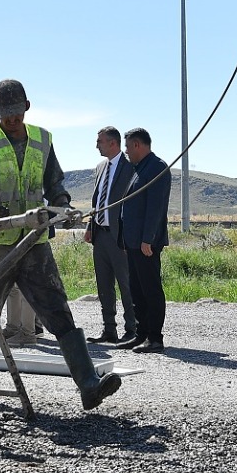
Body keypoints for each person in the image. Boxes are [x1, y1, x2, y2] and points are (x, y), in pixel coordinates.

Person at [0, 78, 121, 411]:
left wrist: (62, 205)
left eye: (16, 113)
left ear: (27, 107)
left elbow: (55, 184)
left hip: (34, 242)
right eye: (5, 113)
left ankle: (89, 384)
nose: (11, 119)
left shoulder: (42, 139)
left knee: (58, 309)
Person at [114, 128, 170, 354]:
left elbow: (155, 209)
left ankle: (155, 338)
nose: (126, 151)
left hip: (146, 243)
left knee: (150, 290)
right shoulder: (139, 169)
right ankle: (141, 334)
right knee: (136, 289)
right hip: (134, 242)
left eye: (127, 146)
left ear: (137, 145)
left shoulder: (157, 168)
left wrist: (148, 239)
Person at [84, 126, 138, 345]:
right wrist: (90, 226)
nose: (97, 145)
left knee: (126, 284)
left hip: (120, 237)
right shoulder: (100, 167)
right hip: (101, 235)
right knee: (103, 285)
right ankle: (109, 330)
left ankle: (132, 329)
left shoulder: (131, 167)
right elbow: (97, 200)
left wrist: (130, 237)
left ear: (113, 143)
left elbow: (133, 204)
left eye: (100, 141)